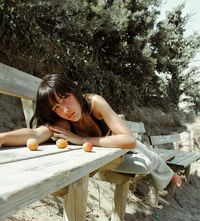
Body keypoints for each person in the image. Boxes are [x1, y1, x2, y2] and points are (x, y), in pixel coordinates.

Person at [0, 73, 182, 191]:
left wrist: (81, 140)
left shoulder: (95, 103)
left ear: (73, 91)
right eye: (56, 107)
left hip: (118, 142)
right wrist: (2, 138)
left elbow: (128, 140)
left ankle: (170, 175)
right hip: (112, 152)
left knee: (149, 154)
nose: (64, 109)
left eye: (65, 99)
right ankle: (166, 177)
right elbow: (35, 135)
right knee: (146, 164)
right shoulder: (61, 121)